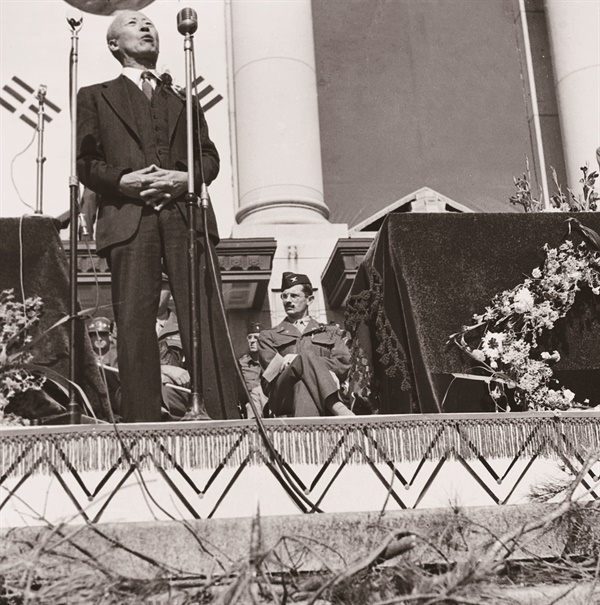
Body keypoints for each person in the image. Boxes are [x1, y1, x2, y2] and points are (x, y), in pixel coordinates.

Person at [77, 10, 235, 422]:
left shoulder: (185, 97)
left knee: (204, 316)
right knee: (133, 323)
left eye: (149, 22)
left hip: (186, 217)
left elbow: (209, 156)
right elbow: (87, 163)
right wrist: (125, 181)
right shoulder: (95, 95)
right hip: (130, 220)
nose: (146, 26)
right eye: (132, 23)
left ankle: (222, 418)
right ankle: (143, 424)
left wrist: (186, 177)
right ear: (114, 44)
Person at [257, 272, 354, 417]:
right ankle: (336, 406)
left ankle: (306, 436)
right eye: (284, 296)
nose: (287, 300)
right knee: (304, 358)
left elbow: (343, 364)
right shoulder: (269, 336)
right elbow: (270, 376)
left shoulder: (330, 332)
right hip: (283, 396)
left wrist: (300, 361)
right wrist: (299, 362)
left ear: (309, 300)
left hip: (312, 394)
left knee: (303, 385)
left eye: (294, 296)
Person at [238, 322, 268, 417]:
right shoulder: (241, 364)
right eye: (249, 337)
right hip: (249, 406)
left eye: (256, 337)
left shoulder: (269, 362)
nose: (252, 341)